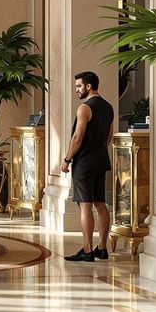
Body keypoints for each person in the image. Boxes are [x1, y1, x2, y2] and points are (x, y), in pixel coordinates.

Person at [62, 70, 114, 262]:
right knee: (100, 204)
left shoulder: (84, 108)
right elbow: (109, 136)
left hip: (84, 162)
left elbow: (77, 138)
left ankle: (87, 250)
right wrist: (99, 150)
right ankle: (102, 248)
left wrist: (67, 160)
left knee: (85, 205)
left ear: (88, 86)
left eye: (78, 86)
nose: (77, 90)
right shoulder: (109, 107)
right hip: (101, 159)